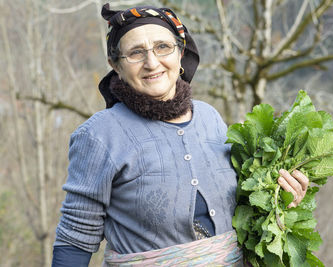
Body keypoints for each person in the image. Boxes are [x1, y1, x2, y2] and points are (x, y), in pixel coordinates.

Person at [52, 3, 309, 266]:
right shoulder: (100, 135)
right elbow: (75, 239)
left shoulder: (210, 119)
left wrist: (282, 198)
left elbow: (243, 211)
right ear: (115, 65)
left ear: (180, 52)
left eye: (163, 47)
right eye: (136, 53)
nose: (152, 63)